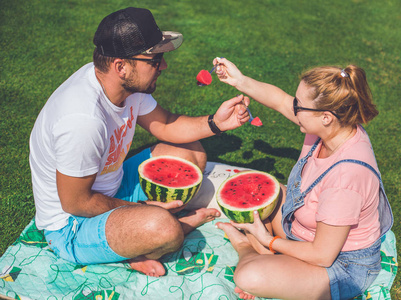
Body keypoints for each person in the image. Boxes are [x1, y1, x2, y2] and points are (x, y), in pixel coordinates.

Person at [29, 7, 250, 277]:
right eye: (155, 60)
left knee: (192, 152)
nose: (164, 66)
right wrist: (143, 209)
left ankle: (136, 235)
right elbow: (77, 203)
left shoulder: (124, 85)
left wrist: (217, 123)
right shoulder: (82, 120)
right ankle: (147, 239)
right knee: (163, 228)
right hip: (71, 226)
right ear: (121, 66)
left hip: (113, 186)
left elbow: (167, 124)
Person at [214, 58, 394, 299]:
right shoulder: (331, 127)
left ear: (326, 116)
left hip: (341, 266)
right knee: (263, 188)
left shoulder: (346, 177)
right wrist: (239, 80)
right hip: (301, 232)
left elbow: (323, 255)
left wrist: (267, 240)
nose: (294, 108)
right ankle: (273, 260)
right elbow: (278, 100)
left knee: (249, 276)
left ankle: (247, 247)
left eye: (299, 105)